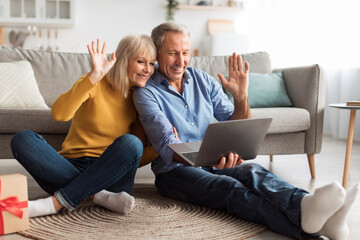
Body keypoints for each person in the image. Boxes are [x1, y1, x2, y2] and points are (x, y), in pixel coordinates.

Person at [133, 22, 360, 240]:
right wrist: (205, 157)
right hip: (173, 173)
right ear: (157, 54)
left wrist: (241, 97)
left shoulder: (201, 79)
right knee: (230, 188)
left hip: (212, 161)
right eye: (172, 53)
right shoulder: (146, 93)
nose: (180, 60)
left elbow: (237, 125)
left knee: (253, 172)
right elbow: (166, 145)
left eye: (185, 52)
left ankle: (307, 205)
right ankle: (309, 230)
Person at [11, 35, 158, 218]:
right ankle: (98, 195)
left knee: (132, 143)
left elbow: (135, 155)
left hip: (111, 175)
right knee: (22, 139)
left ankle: (53, 204)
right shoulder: (95, 81)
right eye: (141, 61)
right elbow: (59, 114)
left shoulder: (141, 99)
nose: (148, 69)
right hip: (69, 165)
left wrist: (162, 149)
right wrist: (94, 76)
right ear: (122, 60)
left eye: (152, 63)